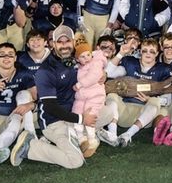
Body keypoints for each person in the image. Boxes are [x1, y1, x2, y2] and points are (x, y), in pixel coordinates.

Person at [10, 25, 108, 169]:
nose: (64, 46)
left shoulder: (77, 60)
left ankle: (76, 136)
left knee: (109, 112)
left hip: (74, 113)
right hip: (54, 121)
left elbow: (96, 64)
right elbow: (50, 107)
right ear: (53, 44)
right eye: (60, 42)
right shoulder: (46, 70)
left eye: (67, 41)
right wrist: (81, 119)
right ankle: (31, 146)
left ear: (73, 43)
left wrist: (103, 74)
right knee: (75, 161)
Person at [70, 39, 108, 157]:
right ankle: (81, 138)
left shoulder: (95, 63)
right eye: (82, 56)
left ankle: (92, 140)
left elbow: (93, 76)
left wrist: (79, 85)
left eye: (88, 54)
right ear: (77, 59)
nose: (86, 58)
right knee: (76, 114)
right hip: (81, 97)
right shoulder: (79, 67)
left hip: (94, 96)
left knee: (89, 116)